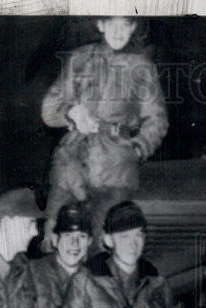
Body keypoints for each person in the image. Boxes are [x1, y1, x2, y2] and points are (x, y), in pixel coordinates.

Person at [40, 16, 168, 249]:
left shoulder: (141, 67)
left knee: (103, 245)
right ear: (101, 25)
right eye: (112, 24)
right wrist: (72, 113)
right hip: (70, 163)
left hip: (115, 169)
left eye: (125, 25)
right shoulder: (78, 58)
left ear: (133, 28)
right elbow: (48, 110)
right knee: (55, 239)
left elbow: (157, 121)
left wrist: (136, 150)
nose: (119, 32)